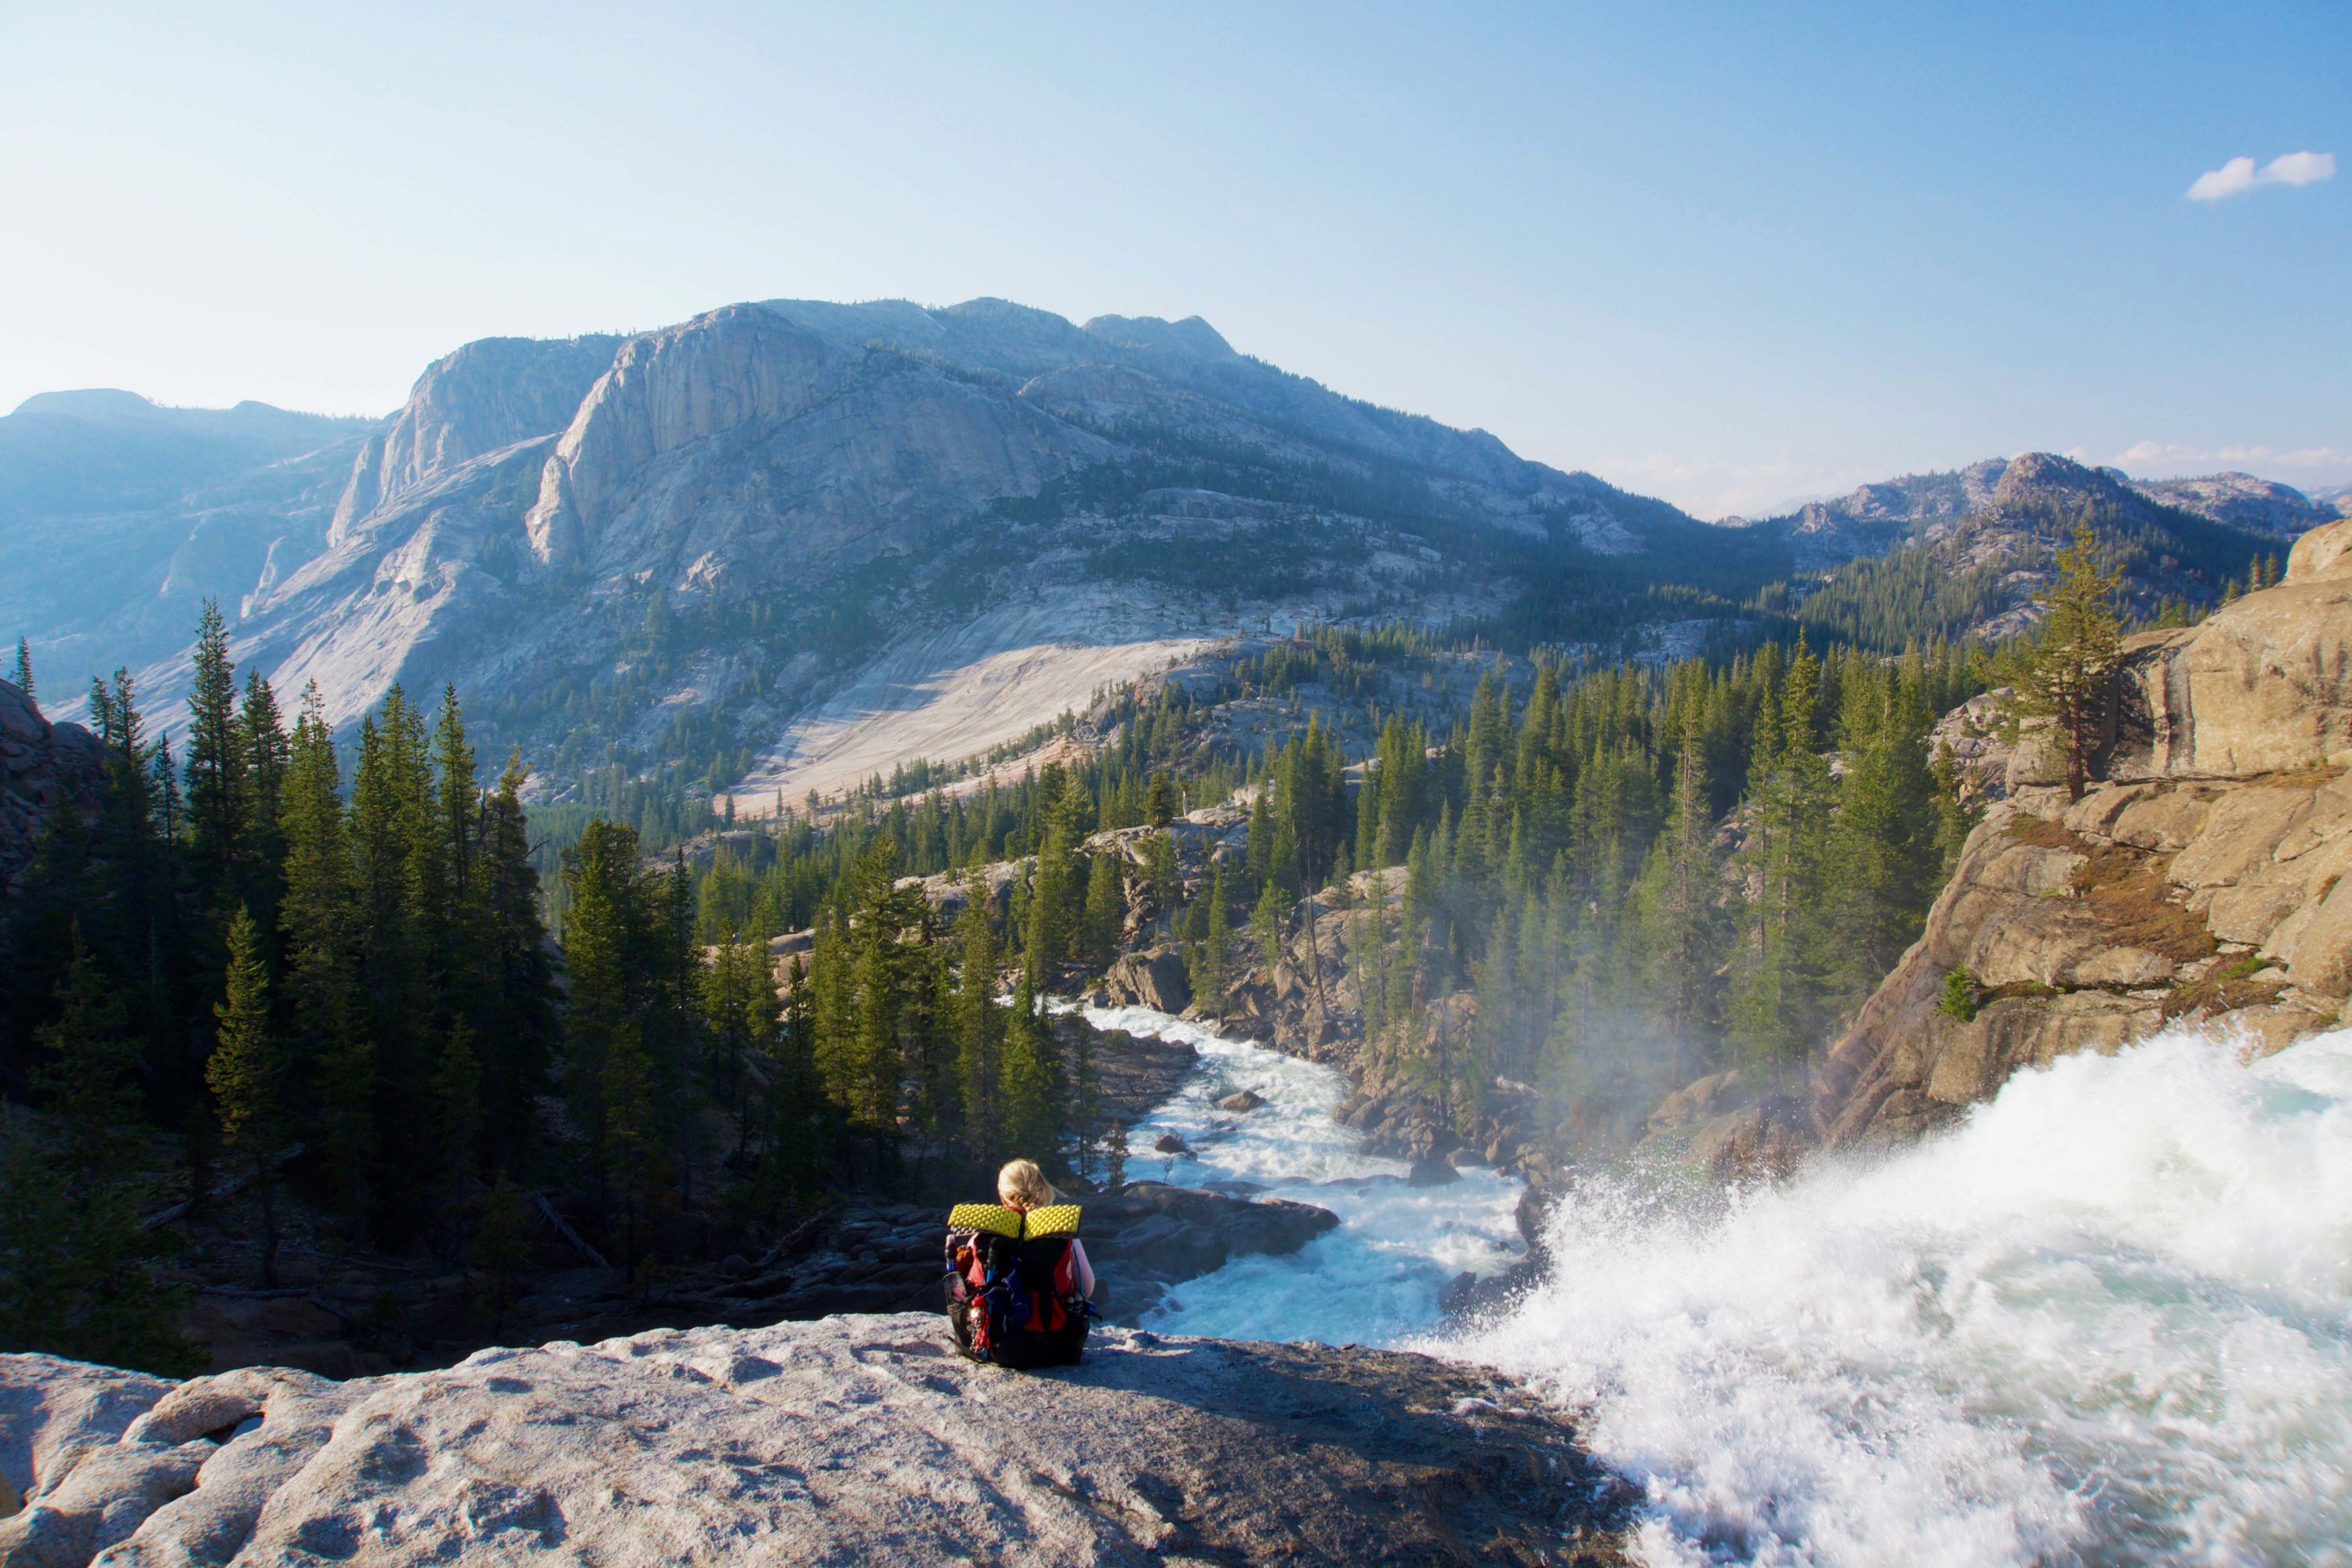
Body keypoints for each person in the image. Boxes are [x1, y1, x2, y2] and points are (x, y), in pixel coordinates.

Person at [942, 1158, 1095, 1367]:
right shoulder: (1062, 1233)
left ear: (1003, 1197)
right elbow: (1089, 1286)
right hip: (1055, 1346)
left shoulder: (983, 1234)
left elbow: (970, 1287)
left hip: (993, 1346)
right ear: (1043, 1189)